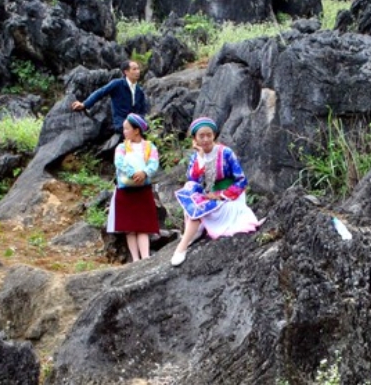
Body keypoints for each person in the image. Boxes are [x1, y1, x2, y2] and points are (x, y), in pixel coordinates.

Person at [170, 117, 261, 267]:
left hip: (229, 198)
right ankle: (193, 234)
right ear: (195, 139)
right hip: (210, 197)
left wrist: (220, 195)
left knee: (199, 209)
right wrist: (200, 158)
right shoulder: (196, 157)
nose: (205, 139)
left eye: (209, 135)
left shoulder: (226, 153)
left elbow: (241, 181)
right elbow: (193, 180)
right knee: (191, 192)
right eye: (201, 136)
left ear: (214, 135)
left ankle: (182, 247)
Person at [106, 114, 160, 262]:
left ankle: (145, 257)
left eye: (126, 128)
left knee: (142, 226)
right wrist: (133, 173)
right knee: (129, 227)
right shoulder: (122, 147)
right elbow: (119, 163)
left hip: (142, 190)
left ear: (136, 131)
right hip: (126, 190)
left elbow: (153, 163)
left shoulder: (150, 147)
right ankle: (135, 259)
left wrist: (145, 173)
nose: (124, 131)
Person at [71, 60, 150, 136]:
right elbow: (100, 93)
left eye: (138, 69)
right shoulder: (117, 84)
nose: (138, 71)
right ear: (126, 72)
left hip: (134, 122)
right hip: (121, 123)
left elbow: (143, 110)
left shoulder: (139, 90)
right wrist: (84, 104)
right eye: (134, 69)